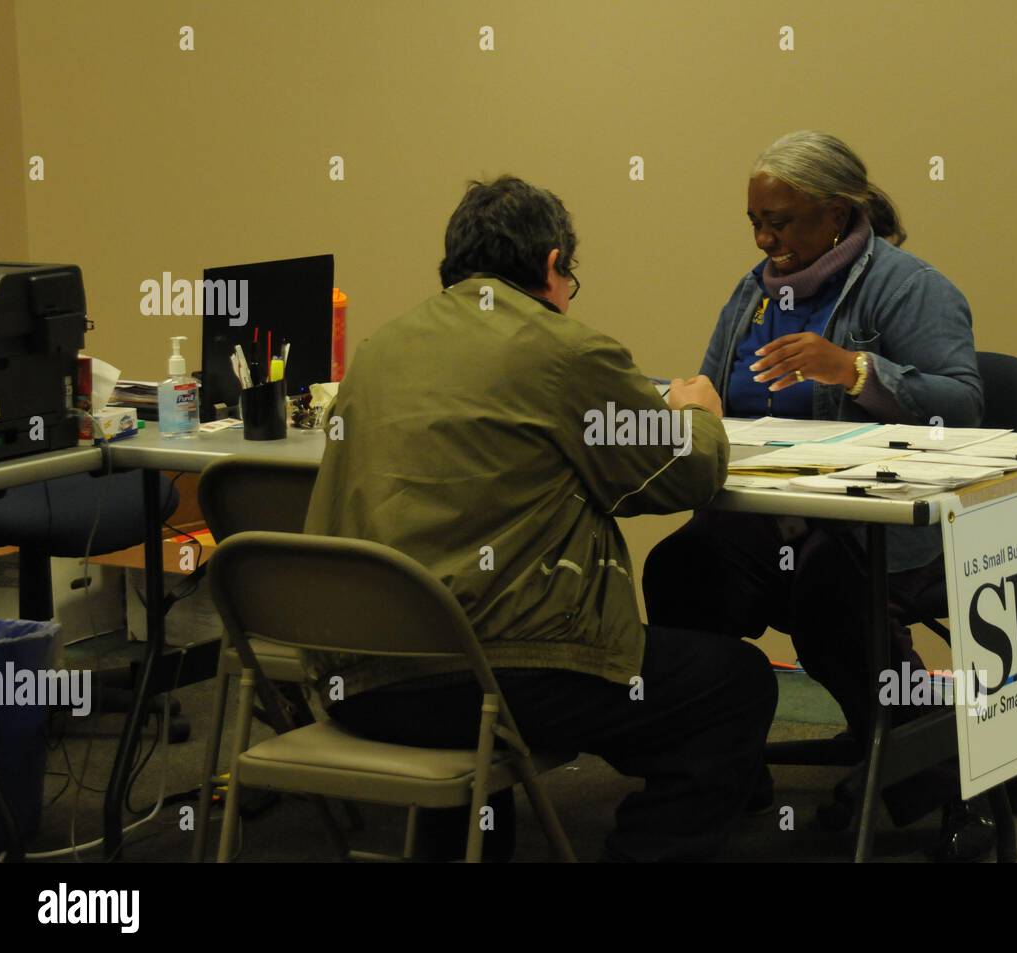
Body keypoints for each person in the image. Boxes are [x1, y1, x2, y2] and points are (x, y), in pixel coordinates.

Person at [302, 175, 777, 862]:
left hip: (359, 675)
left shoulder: (379, 351)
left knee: (473, 647)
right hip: (495, 675)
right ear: (553, 266)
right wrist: (700, 414)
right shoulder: (564, 353)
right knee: (735, 683)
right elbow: (684, 471)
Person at [642, 130, 1001, 858]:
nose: (766, 237)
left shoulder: (909, 287)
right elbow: (716, 390)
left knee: (830, 588)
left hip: (881, 530)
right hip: (770, 518)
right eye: (755, 221)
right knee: (679, 570)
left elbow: (962, 405)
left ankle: (937, 766)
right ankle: (720, 772)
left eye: (784, 220)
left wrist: (857, 372)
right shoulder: (754, 293)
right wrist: (687, 401)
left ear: (838, 213)